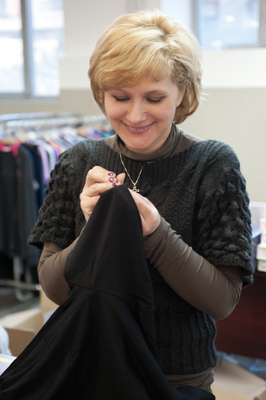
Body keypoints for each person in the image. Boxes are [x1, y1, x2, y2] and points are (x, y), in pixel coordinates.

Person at [29, 10, 253, 394]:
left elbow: (221, 300)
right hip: (90, 367)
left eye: (154, 98)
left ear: (182, 92)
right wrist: (93, 229)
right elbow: (55, 287)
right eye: (120, 97)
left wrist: (155, 232)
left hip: (176, 379)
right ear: (102, 93)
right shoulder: (77, 162)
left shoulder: (214, 165)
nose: (135, 115)